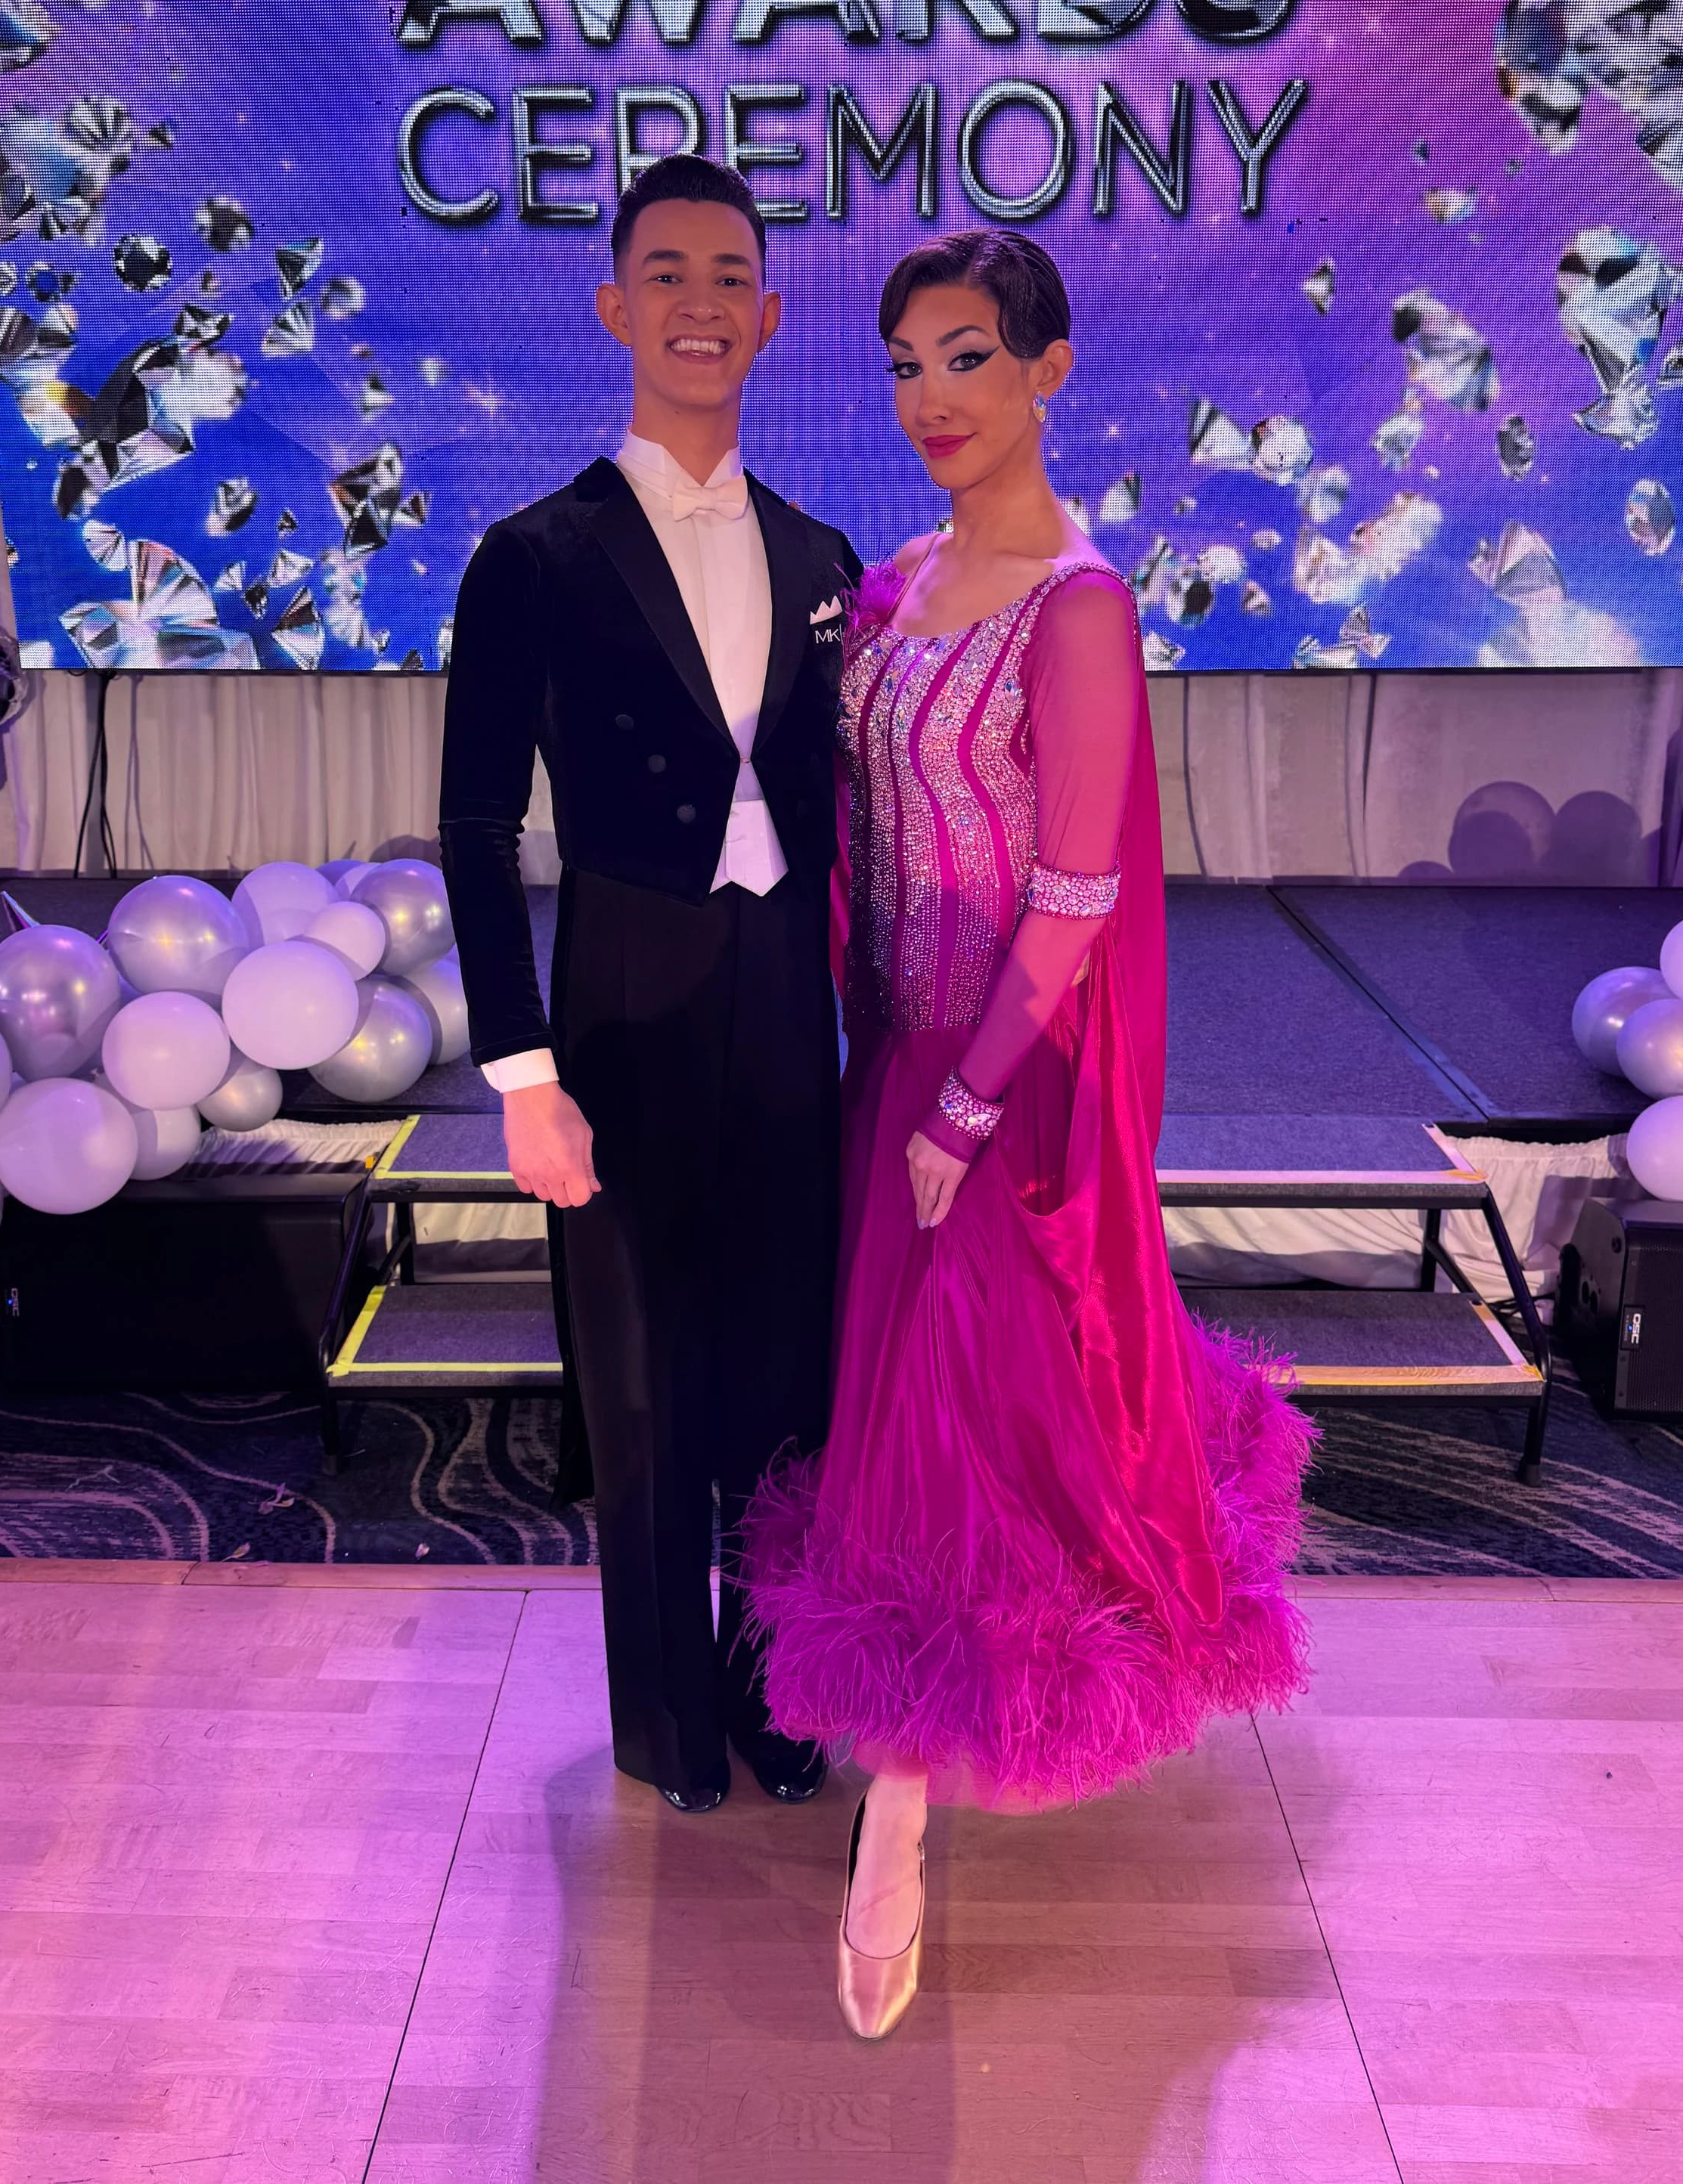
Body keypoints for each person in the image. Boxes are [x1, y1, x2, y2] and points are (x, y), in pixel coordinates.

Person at [739, 228, 1314, 2040]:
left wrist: (972, 1102)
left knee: (953, 1420)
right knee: (934, 1418)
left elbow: (1070, 889)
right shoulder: (890, 585)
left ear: (1048, 368)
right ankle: (904, 1759)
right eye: (907, 361)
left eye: (969, 356)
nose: (930, 397)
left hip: (1009, 1079)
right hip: (888, 1058)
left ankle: (893, 1819)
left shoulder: (1079, 605)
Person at [439, 155, 861, 1812]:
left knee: (782, 1370)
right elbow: (477, 833)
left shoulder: (821, 549)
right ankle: (665, 1722)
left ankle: (772, 1693)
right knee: (638, 1375)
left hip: (785, 999)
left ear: (767, 317)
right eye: (664, 271)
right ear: (616, 307)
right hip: (615, 993)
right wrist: (521, 1074)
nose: (699, 302)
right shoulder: (531, 555)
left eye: (730, 274)